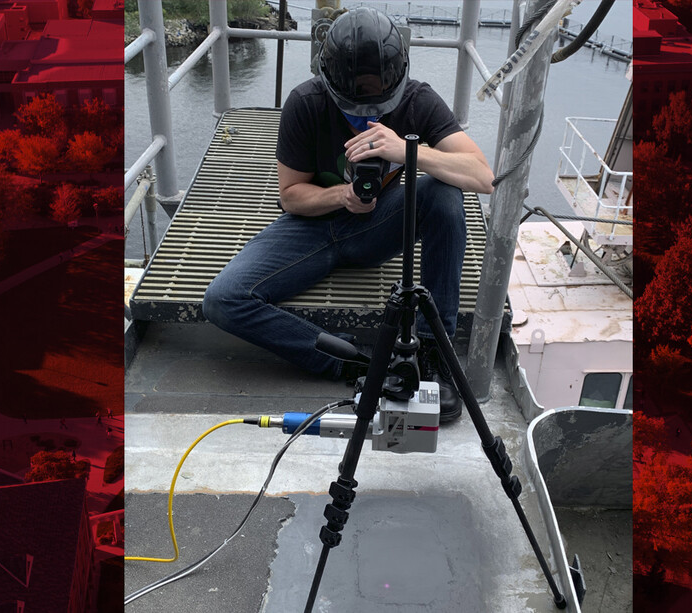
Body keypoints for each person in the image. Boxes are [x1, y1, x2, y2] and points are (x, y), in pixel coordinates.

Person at [203, 7, 493, 423]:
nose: (366, 113)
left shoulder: (418, 101)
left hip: (378, 227)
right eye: (353, 106)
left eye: (377, 103)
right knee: (222, 300)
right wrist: (342, 195)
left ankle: (434, 350)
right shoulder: (306, 103)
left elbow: (482, 176)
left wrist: (405, 150)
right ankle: (355, 361)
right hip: (312, 228)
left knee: (443, 192)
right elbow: (290, 196)